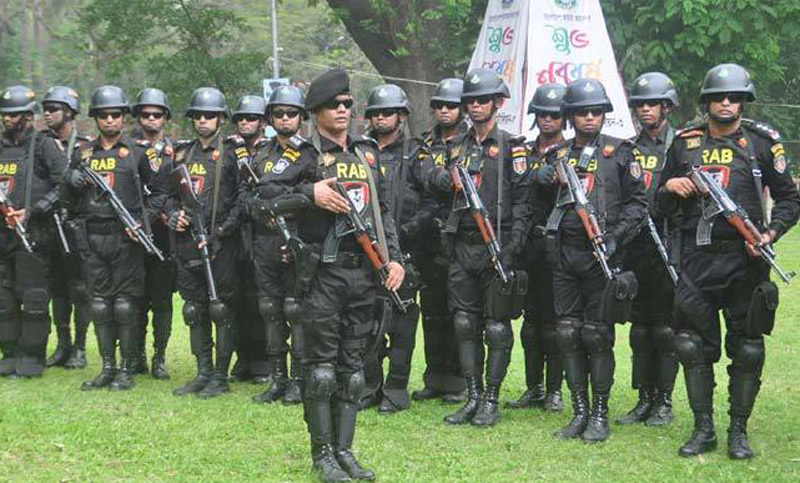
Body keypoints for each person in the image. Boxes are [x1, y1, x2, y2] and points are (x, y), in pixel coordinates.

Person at [254, 68, 404, 482]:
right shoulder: (300, 158)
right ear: (315, 112)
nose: (342, 111)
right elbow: (259, 203)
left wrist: (396, 259)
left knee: (352, 373)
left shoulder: (366, 154)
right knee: (320, 371)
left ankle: (345, 450)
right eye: (333, 105)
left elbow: (383, 212)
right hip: (321, 277)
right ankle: (322, 455)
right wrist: (309, 194)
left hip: (364, 275)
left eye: (347, 105)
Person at [658, 63, 799, 459]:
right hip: (697, 262)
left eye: (734, 97)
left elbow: (789, 198)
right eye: (719, 96)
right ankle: (703, 428)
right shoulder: (684, 143)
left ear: (743, 101)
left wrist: (770, 234)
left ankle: (738, 430)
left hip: (746, 261)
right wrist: (670, 186)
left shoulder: (761, 143)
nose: (726, 102)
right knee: (690, 346)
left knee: (749, 348)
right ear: (706, 102)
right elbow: (658, 204)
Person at [536, 78, 647, 442]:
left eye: (595, 112)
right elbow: (534, 186)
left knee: (597, 335)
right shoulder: (559, 155)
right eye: (581, 112)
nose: (588, 118)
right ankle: (579, 411)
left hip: (601, 255)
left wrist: (615, 239)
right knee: (567, 334)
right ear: (570, 116)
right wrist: (546, 174)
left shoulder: (620, 153)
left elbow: (637, 205)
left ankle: (599, 412)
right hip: (564, 255)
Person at [427, 68, 531, 427]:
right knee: (463, 323)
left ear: (497, 103)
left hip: (497, 246)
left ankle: (490, 399)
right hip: (462, 246)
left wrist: (512, 246)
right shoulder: (456, 146)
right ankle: (472, 396)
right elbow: (429, 175)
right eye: (469, 101)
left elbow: (523, 202)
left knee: (497, 327)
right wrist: (445, 178)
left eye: (481, 100)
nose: (474, 106)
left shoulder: (512, 147)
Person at [63, 85, 154, 390]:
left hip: (125, 236)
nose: (110, 120)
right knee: (99, 305)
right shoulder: (82, 153)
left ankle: (127, 369)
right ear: (96, 118)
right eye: (104, 115)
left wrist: (142, 222)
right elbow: (66, 198)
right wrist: (70, 179)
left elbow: (158, 195)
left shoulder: (138, 152)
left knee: (125, 305)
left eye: (116, 114)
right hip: (92, 236)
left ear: (124, 117)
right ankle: (107, 367)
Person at [162, 87, 242, 399]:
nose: (203, 120)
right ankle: (203, 372)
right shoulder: (182, 154)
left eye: (209, 115)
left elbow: (242, 201)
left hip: (221, 246)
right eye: (198, 115)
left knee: (221, 310)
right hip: (187, 245)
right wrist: (173, 216)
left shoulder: (233, 154)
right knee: (194, 311)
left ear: (221, 119)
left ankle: (221, 376)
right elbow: (167, 196)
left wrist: (221, 231)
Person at [615, 72, 680, 427]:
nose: (645, 110)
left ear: (667, 106)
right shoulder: (629, 149)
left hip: (671, 247)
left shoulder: (681, 145)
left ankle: (665, 400)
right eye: (640, 104)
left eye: (652, 104)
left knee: (667, 329)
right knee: (640, 329)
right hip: (637, 247)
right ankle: (644, 398)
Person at [359, 83, 427, 414]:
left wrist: (410, 231)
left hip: (407, 252)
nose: (381, 118)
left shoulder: (415, 153)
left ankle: (397, 388)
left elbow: (433, 202)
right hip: (368, 252)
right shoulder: (360, 153)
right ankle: (370, 386)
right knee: (368, 322)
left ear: (401, 116)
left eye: (388, 112)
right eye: (376, 113)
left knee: (403, 321)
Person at [245, 88, 309, 404]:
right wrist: (256, 207)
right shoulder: (259, 154)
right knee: (269, 309)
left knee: (294, 310)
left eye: (291, 113)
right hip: (263, 241)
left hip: (294, 238)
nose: (285, 119)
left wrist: (280, 207)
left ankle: (297, 381)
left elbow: (311, 196)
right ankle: (277, 379)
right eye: (279, 114)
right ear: (270, 118)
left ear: (300, 117)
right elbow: (244, 196)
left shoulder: (310, 153)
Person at [0, 85, 67, 378]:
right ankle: (10, 353)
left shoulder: (44, 145)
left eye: (13, 115)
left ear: (28, 116)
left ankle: (32, 356)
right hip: (3, 236)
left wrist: (34, 210)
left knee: (35, 299)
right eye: (4, 114)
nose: (6, 119)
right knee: (4, 301)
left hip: (34, 235)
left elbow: (63, 185)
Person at [507, 83, 566, 412]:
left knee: (554, 324)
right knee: (530, 324)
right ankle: (534, 387)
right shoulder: (523, 152)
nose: (547, 119)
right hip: (525, 243)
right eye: (541, 114)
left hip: (556, 244)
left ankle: (555, 391)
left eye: (554, 114)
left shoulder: (570, 152)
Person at [411, 78, 468, 404]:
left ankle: (460, 380)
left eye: (451, 105)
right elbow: (420, 178)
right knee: (431, 312)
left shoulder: (470, 142)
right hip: (428, 238)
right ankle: (435, 377)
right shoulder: (423, 144)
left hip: (459, 237)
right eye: (440, 105)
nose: (444, 111)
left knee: (459, 313)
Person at [41, 85, 91, 370]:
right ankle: (62, 345)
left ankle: (80, 348)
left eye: (53, 109)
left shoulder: (85, 146)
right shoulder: (40, 145)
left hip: (75, 226)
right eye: (45, 109)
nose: (47, 114)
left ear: (69, 112)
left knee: (80, 289)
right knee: (57, 289)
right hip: (47, 227)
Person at [131, 87, 176, 380]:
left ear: (165, 118)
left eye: (156, 115)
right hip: (133, 234)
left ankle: (159, 356)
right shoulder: (128, 150)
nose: (150, 120)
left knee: (161, 300)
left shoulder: (178, 151)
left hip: (164, 237)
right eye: (145, 114)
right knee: (135, 300)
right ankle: (137, 357)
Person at [229, 94, 271, 385]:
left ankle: (262, 362)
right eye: (241, 118)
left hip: (262, 232)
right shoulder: (228, 151)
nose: (245, 122)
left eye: (251, 118)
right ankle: (242, 358)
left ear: (262, 122)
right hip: (234, 233)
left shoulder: (271, 151)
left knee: (262, 301)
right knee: (237, 300)